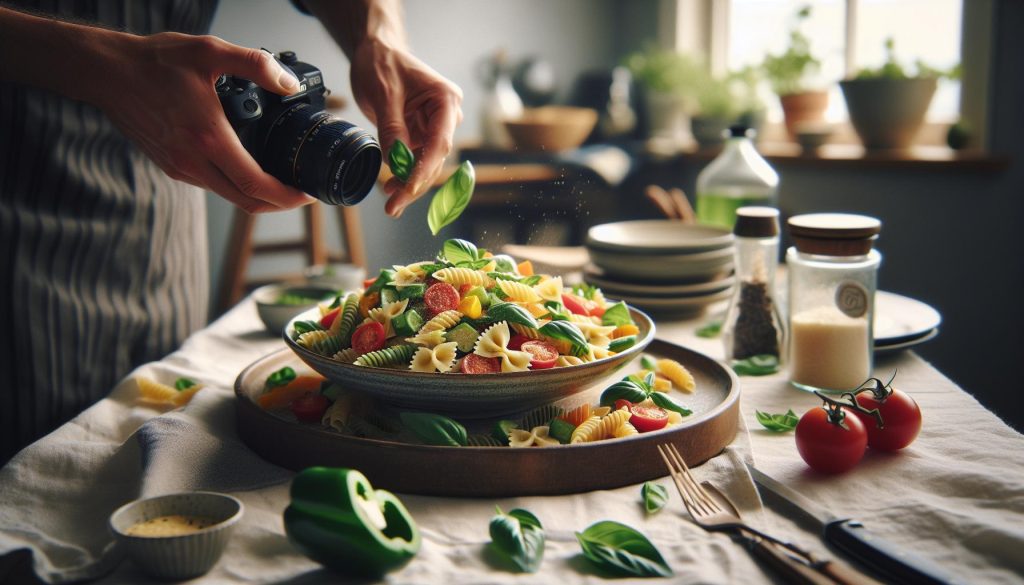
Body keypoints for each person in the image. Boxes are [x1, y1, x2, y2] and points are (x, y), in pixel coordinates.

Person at [0, 0, 463, 463]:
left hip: (170, 225)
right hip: (25, 222)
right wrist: (105, 65)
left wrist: (378, 39)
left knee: (169, 443)